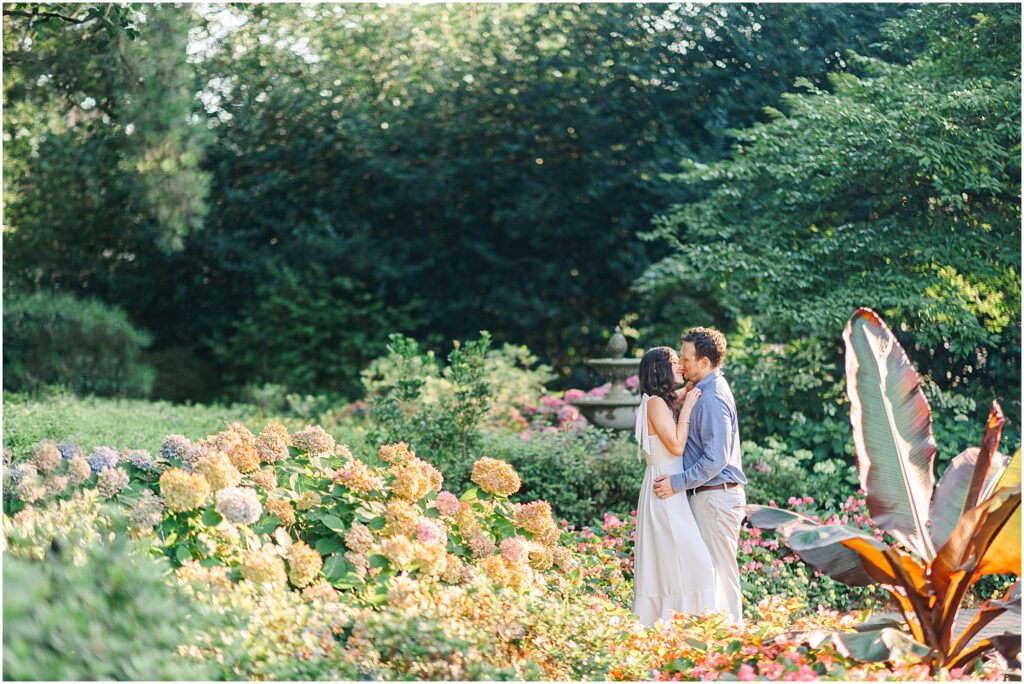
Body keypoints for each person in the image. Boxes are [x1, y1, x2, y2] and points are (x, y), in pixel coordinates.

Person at [653, 327, 748, 625]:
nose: (681, 364)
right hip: (708, 496)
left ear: (704, 363)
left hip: (716, 495)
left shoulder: (711, 398)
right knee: (708, 571)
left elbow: (716, 459)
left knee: (721, 573)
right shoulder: (702, 391)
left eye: (685, 358)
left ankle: (733, 641)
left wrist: (676, 483)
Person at [632, 345, 719, 626]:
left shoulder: (662, 400)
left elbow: (689, 386)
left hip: (671, 487)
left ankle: (675, 624)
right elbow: (677, 446)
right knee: (694, 563)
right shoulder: (655, 403)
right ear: (659, 369)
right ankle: (678, 624)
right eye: (673, 361)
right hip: (665, 489)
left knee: (674, 563)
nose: (680, 365)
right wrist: (690, 407)